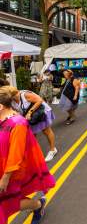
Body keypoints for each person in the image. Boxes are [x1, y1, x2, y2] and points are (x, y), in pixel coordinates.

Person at [0, 86, 55, 224]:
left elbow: (15, 155)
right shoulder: (3, 121)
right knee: (8, 202)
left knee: (9, 202)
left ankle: (38, 205)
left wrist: (5, 178)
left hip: (11, 172)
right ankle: (38, 205)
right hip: (3, 167)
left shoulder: (17, 123)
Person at [11, 87, 58, 163]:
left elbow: (40, 100)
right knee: (32, 135)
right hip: (30, 117)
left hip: (40, 113)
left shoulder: (25, 95)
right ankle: (35, 154)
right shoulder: (11, 101)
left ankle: (53, 150)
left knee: (46, 131)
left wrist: (30, 112)